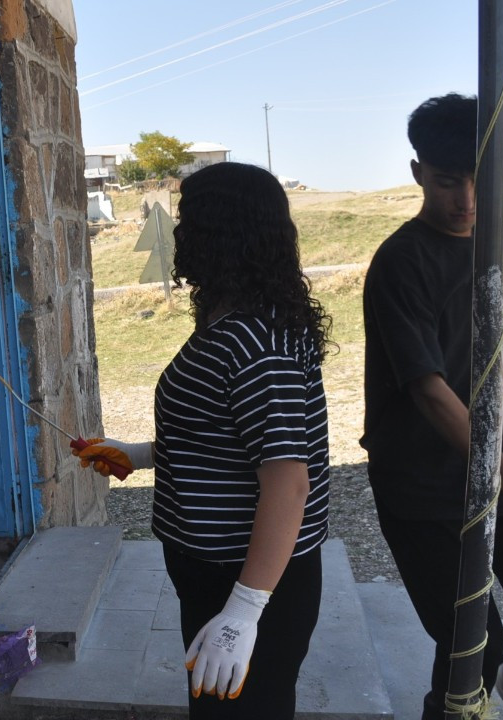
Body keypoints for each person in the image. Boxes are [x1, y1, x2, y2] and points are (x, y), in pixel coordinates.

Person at [361, 93, 503, 720]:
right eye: (446, 181)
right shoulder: (399, 263)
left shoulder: (487, 245)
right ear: (417, 174)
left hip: (500, 450)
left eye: (478, 181)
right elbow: (431, 392)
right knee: (472, 651)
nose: (465, 200)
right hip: (421, 482)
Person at [75, 161, 331, 719]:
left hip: (246, 581)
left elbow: (288, 485)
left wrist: (243, 612)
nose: (179, 233)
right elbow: (227, 439)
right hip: (220, 576)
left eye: (190, 219)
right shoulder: (239, 321)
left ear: (222, 232)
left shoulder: (254, 342)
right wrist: (138, 456)